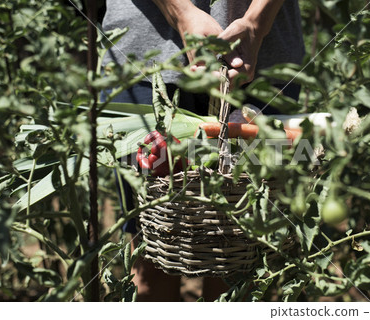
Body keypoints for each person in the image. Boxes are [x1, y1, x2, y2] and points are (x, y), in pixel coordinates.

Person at [101, 0, 305, 301]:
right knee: (153, 244)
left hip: (262, 55)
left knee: (238, 248)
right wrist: (181, 12)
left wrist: (256, 24)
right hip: (147, 52)